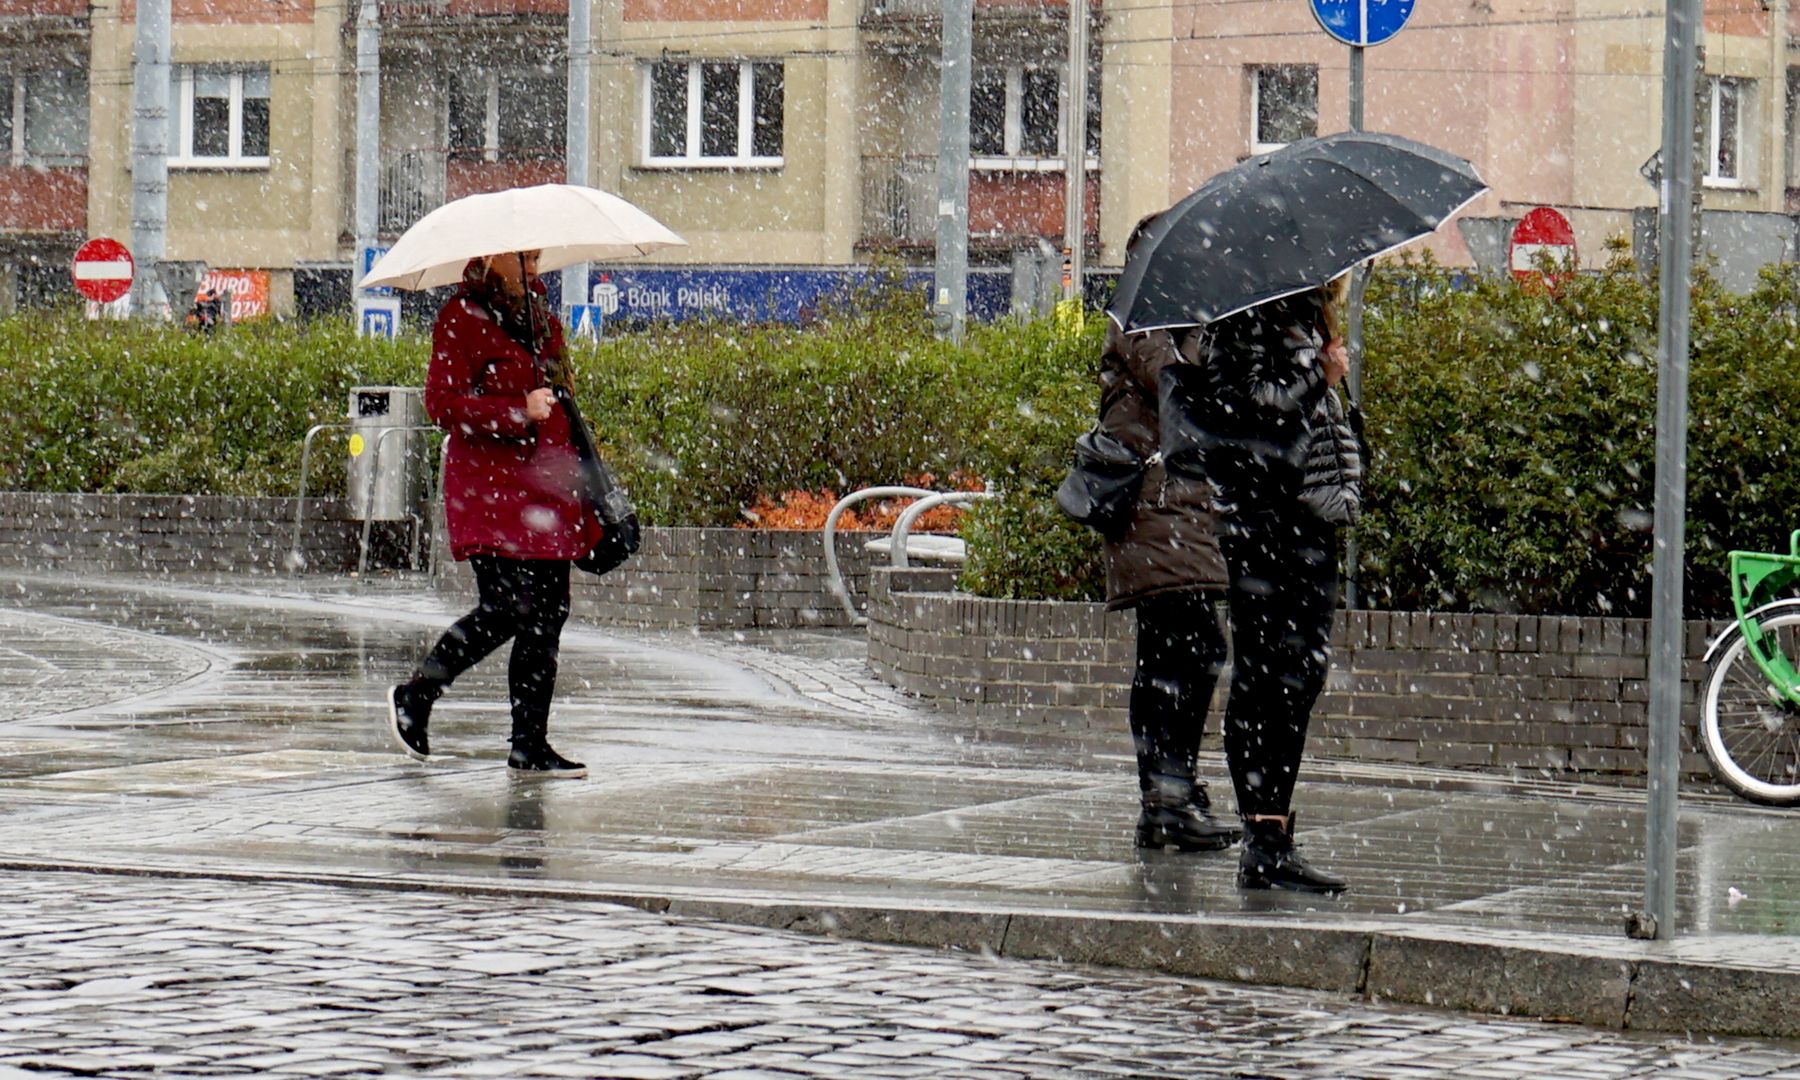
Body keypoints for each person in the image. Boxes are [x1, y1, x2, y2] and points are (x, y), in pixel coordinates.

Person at [385, 250, 599, 778]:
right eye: (523, 257)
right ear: (490, 258)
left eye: (537, 255)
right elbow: (442, 404)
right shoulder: (461, 317)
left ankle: (530, 746)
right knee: (506, 608)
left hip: (547, 489)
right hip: (491, 494)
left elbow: (558, 395)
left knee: (547, 618)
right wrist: (514, 412)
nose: (535, 265)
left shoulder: (542, 319)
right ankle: (417, 693)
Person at [1191, 275, 1353, 893]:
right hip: (1262, 522)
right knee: (1267, 675)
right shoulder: (1246, 314)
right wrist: (1321, 378)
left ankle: (1273, 834)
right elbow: (1252, 407)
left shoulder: (1303, 313)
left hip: (1304, 518)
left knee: (1300, 672)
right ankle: (1263, 838)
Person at [1099, 216, 1240, 854]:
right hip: (1156, 510)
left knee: (1177, 652)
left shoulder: (1178, 320)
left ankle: (1168, 797)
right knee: (1184, 649)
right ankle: (1166, 797)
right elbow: (1178, 386)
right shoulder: (1143, 320)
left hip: (1176, 511)